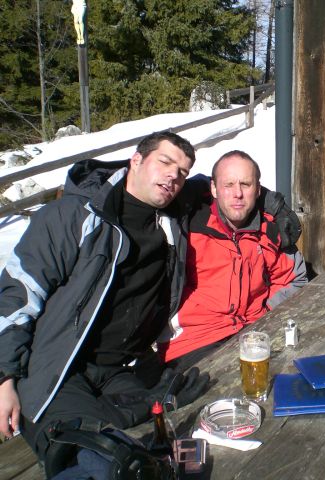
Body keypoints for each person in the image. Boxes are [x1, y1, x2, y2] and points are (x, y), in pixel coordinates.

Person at [0, 131, 210, 463]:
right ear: (136, 160)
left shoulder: (169, 223)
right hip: (57, 370)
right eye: (165, 162)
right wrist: (4, 378)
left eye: (182, 172)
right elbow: (19, 292)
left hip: (119, 372)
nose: (174, 175)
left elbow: (231, 183)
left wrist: (272, 204)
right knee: (90, 454)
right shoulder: (74, 216)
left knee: (174, 434)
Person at [158, 150, 307, 365]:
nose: (238, 193)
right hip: (194, 342)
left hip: (253, 333)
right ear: (214, 188)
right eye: (228, 185)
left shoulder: (269, 230)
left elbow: (293, 279)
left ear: (258, 190)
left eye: (245, 184)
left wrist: (267, 313)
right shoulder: (187, 228)